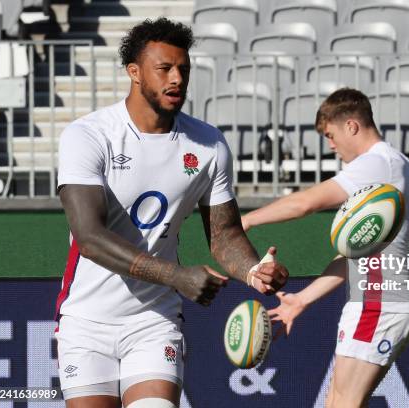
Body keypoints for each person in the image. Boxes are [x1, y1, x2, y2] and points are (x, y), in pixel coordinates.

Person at [55, 18, 288, 408]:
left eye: (183, 68)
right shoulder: (88, 135)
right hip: (86, 322)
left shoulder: (209, 144)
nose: (176, 78)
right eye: (164, 68)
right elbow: (90, 238)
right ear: (134, 72)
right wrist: (177, 276)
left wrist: (252, 271)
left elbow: (225, 234)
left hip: (154, 320)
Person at [242, 88, 409, 408]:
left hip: (378, 302)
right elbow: (351, 258)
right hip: (376, 301)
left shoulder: (377, 164)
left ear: (351, 125)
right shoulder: (394, 164)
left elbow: (305, 203)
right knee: (336, 403)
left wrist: (247, 221)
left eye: (330, 134)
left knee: (344, 404)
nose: (330, 145)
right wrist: (301, 299)